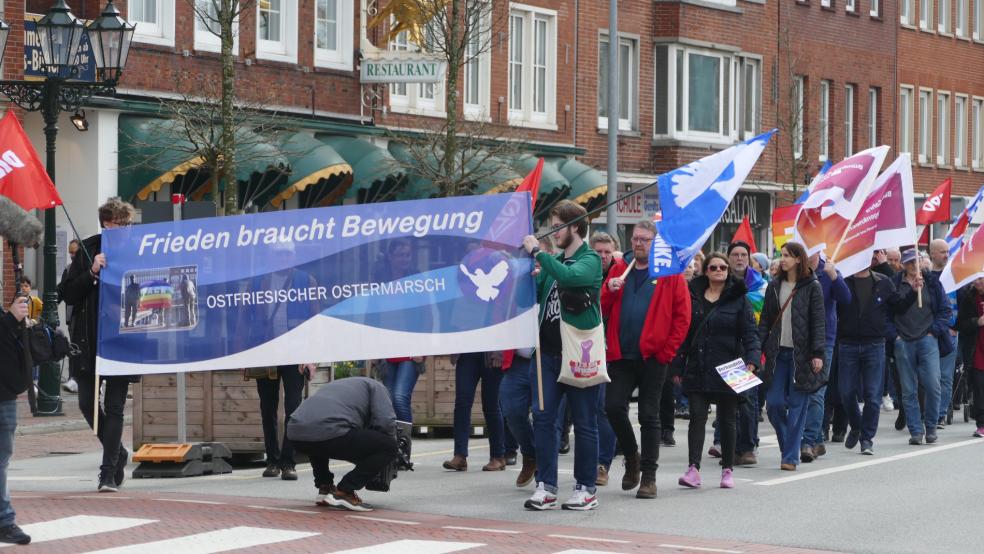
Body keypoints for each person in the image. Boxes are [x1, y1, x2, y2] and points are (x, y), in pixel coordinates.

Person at [520, 200, 604, 511]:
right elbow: (539, 285)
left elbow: (570, 278)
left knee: (584, 423)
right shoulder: (554, 262)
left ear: (575, 228)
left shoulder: (591, 260)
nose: (554, 232)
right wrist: (532, 271)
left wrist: (537, 252)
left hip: (579, 352)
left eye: (559, 226)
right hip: (548, 354)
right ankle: (546, 485)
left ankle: (586, 487)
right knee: (543, 420)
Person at [602, 219, 691, 499]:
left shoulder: (669, 273)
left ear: (655, 243)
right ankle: (632, 456)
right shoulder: (619, 270)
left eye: (645, 239)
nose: (638, 243)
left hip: (653, 356)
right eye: (635, 239)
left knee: (649, 415)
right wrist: (608, 290)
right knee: (613, 406)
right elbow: (600, 307)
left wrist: (667, 352)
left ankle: (649, 477)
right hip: (621, 354)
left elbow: (682, 317)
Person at [60, 198, 137, 492]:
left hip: (121, 338)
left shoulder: (136, 250)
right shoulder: (87, 248)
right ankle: (117, 451)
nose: (126, 229)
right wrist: (92, 272)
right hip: (89, 339)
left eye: (129, 224)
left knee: (115, 406)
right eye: (122, 224)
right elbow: (67, 293)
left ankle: (107, 473)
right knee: (87, 404)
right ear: (107, 223)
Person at [675, 254, 760, 489]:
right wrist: (677, 365)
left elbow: (750, 333)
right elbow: (683, 332)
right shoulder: (692, 296)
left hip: (730, 366)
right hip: (698, 365)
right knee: (697, 418)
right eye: (713, 267)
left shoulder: (739, 298)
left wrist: (752, 360)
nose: (718, 270)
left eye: (723, 267)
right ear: (706, 271)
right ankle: (693, 469)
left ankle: (727, 470)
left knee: (728, 420)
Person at [759, 242, 825, 471]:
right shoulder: (774, 286)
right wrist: (757, 349)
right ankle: (790, 445)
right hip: (777, 354)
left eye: (787, 255)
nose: (782, 259)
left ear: (798, 259)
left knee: (798, 408)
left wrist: (817, 353)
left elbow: (818, 322)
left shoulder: (812, 286)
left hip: (802, 356)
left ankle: (789, 457)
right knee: (774, 405)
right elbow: (765, 321)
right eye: (782, 255)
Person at [287, 376, 399, 512]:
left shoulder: (338, 386)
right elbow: (385, 422)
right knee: (389, 447)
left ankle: (325, 487)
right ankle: (345, 491)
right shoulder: (378, 387)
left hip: (295, 433)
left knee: (318, 438)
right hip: (330, 430)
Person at [708, 241, 768, 466]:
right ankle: (728, 445)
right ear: (728, 258)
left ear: (749, 258)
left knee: (747, 401)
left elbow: (762, 314)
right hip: (724, 349)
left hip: (748, 348)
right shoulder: (719, 281)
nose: (739, 258)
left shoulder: (760, 285)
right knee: (726, 402)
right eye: (735, 255)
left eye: (743, 254)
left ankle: (748, 447)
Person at [891, 248, 951, 445]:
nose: (913, 265)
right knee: (908, 390)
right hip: (903, 341)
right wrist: (895, 336)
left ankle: (931, 426)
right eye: (909, 262)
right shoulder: (894, 283)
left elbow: (945, 310)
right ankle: (916, 431)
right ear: (903, 264)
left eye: (916, 261)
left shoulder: (932, 283)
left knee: (933, 385)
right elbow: (887, 312)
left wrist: (934, 331)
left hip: (927, 338)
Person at [837, 262, 897, 455]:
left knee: (873, 395)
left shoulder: (883, 282)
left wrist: (914, 291)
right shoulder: (843, 281)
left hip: (874, 344)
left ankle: (866, 439)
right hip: (848, 343)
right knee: (846, 392)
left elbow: (900, 307)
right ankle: (856, 425)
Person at [802, 254, 850, 462]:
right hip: (796, 339)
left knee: (816, 391)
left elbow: (845, 299)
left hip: (824, 340)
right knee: (796, 394)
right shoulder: (796, 268)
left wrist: (834, 276)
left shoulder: (828, 269)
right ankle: (816, 437)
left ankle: (810, 441)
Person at [0, 296, 32, 544]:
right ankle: (4, 520)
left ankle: (4, 521)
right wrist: (11, 320)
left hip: (6, 395)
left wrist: (20, 325)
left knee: (2, 461)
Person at [443, 352, 507, 472]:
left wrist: (499, 353)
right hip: (467, 352)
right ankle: (460, 455)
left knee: (491, 406)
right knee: (462, 404)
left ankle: (498, 456)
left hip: (491, 351)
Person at [929, 239, 958, 429]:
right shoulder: (926, 277)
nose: (946, 255)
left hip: (951, 333)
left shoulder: (954, 276)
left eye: (947, 251)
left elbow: (963, 302)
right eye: (942, 252)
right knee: (930, 376)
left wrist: (957, 326)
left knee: (946, 376)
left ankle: (939, 414)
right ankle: (929, 411)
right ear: (932, 254)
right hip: (929, 333)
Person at [956, 278, 984, 438]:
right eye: (976, 279)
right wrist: (977, 321)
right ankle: (981, 424)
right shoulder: (969, 298)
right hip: (977, 349)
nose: (978, 282)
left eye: (981, 279)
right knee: (979, 387)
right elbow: (960, 324)